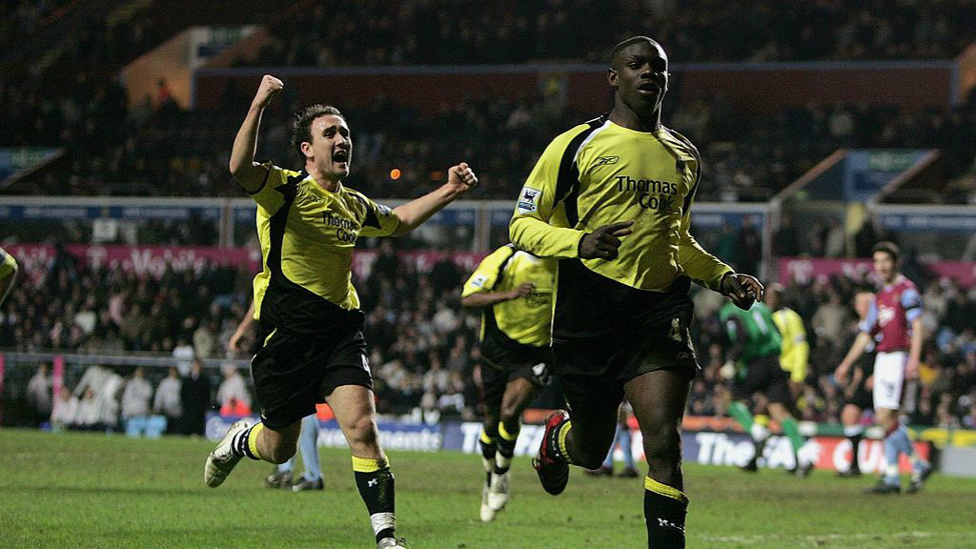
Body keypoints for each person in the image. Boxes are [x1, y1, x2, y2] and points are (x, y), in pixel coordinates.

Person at [508, 36, 763, 548]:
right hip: (588, 307)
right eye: (636, 64)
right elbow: (521, 226)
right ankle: (559, 439)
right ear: (613, 77)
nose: (648, 73)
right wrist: (579, 242)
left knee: (664, 441)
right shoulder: (574, 145)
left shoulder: (684, 155)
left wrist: (722, 276)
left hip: (656, 309)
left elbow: (677, 240)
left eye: (658, 67)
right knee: (592, 449)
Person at [205, 74, 479, 549]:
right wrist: (258, 105)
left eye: (346, 133)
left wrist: (450, 190)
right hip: (287, 334)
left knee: (363, 430)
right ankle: (238, 441)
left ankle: (387, 538)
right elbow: (239, 167)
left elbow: (398, 222)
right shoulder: (284, 191)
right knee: (277, 447)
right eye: (330, 133)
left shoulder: (353, 204)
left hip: (339, 331)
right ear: (307, 150)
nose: (342, 140)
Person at [460, 243, 556, 522]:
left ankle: (500, 475)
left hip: (537, 352)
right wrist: (510, 294)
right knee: (490, 422)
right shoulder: (505, 257)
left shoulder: (563, 259)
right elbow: (468, 299)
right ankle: (490, 478)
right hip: (497, 351)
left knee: (510, 412)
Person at [835, 242, 932, 494]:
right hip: (883, 358)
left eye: (885, 261)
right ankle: (892, 477)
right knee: (887, 419)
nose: (881, 266)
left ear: (895, 262)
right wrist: (846, 364)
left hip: (898, 357)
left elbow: (918, 326)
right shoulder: (879, 297)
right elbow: (866, 333)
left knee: (885, 418)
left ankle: (917, 464)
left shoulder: (907, 291)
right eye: (877, 262)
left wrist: (913, 359)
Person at [231, 302, 324, 492]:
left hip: (292, 334)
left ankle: (307, 474)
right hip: (301, 331)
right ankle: (292, 470)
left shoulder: (281, 275)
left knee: (296, 402)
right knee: (296, 402)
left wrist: (242, 329)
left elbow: (261, 296)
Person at [720, 299, 812, 476]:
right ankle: (804, 456)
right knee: (779, 410)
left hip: (754, 363)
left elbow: (741, 336)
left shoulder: (731, 311)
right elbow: (777, 333)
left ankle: (757, 432)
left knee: (728, 399)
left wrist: (732, 362)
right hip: (775, 362)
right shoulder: (762, 308)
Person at [834, 289, 877, 477]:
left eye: (868, 304)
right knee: (849, 415)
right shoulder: (855, 330)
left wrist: (878, 374)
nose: (864, 308)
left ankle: (901, 465)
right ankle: (854, 464)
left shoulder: (879, 328)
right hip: (859, 383)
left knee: (889, 420)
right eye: (861, 304)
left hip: (879, 379)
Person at [766, 284, 810, 397]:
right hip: (769, 371)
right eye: (767, 297)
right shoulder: (765, 316)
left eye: (772, 297)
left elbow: (801, 346)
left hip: (786, 370)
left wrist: (797, 376)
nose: (769, 300)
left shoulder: (790, 317)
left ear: (780, 298)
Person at [585, 400, 639, 477]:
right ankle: (629, 467)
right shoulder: (627, 403)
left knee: (611, 445)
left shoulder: (623, 403)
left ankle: (608, 465)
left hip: (619, 425)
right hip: (623, 426)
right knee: (624, 447)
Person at [180, 359, 212, 436]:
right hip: (188, 407)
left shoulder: (204, 380)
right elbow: (183, 393)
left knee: (198, 425)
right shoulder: (186, 380)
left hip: (200, 408)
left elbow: (207, 394)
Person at [154, 367, 183, 434]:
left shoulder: (179, 383)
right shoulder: (165, 382)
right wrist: (157, 406)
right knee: (166, 426)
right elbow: (159, 395)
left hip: (176, 409)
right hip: (166, 408)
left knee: (176, 426)